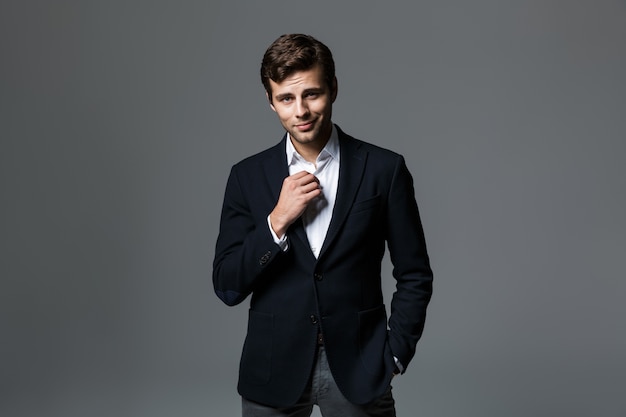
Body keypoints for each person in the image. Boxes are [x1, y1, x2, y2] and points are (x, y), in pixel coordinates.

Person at [213, 33, 433, 417]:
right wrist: (276, 221)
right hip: (272, 369)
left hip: (361, 367)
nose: (301, 110)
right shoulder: (246, 177)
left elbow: (414, 274)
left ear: (333, 88)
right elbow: (227, 285)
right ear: (270, 101)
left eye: (312, 94)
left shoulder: (384, 170)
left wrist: (395, 354)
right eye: (286, 99)